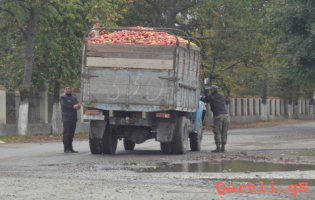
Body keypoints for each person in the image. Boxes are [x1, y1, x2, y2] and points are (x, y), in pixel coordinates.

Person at [200, 85, 229, 153]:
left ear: (212, 90)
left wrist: (201, 97)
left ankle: (218, 147)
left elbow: (204, 99)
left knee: (217, 131)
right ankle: (223, 147)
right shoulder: (222, 95)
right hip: (226, 115)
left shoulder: (211, 97)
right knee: (224, 132)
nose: (210, 91)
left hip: (218, 116)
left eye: (211, 90)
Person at [60, 85, 81, 153]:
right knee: (67, 133)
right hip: (66, 118)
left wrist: (78, 106)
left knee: (71, 134)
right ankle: (66, 148)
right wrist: (73, 107)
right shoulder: (63, 97)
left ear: (71, 89)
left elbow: (76, 105)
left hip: (73, 118)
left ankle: (71, 148)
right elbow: (64, 107)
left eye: (69, 89)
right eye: (66, 89)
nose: (68, 90)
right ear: (64, 90)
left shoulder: (74, 97)